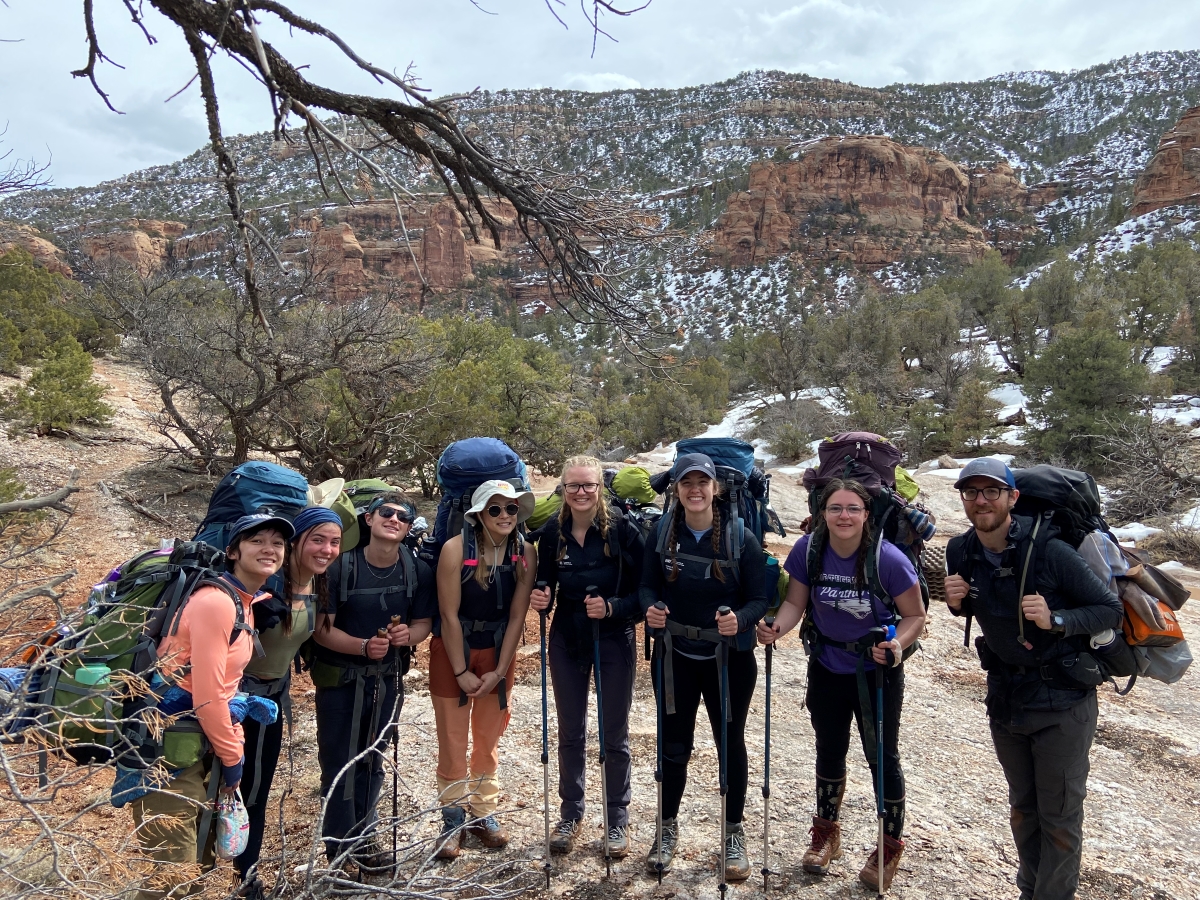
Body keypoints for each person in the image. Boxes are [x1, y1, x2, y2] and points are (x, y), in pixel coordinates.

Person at [943, 458, 1124, 900]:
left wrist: (1056, 618)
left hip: (1062, 699)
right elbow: (986, 606)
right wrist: (956, 604)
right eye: (972, 492)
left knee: (1059, 817)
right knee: (1024, 809)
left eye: (991, 492)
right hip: (1007, 698)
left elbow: (1109, 610)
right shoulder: (961, 550)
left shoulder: (1050, 551)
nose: (981, 501)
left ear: (1012, 498)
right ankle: (1031, 891)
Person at [758, 478, 925, 891]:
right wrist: (777, 627)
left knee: (882, 757)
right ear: (822, 513)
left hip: (877, 674)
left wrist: (896, 645)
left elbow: (915, 615)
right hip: (827, 665)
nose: (844, 516)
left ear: (867, 514)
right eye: (836, 508)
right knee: (829, 750)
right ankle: (826, 834)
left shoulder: (887, 559)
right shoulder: (808, 549)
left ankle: (888, 845)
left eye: (852, 508)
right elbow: (797, 601)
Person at [132, 513, 293, 900]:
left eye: (278, 542)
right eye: (256, 540)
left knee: (196, 869)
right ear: (234, 551)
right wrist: (234, 755)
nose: (269, 548)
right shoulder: (217, 603)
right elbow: (207, 696)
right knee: (172, 878)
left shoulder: (245, 603)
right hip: (168, 750)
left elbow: (223, 687)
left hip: (195, 748)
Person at [641, 453, 767, 881]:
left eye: (703, 482)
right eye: (686, 482)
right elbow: (646, 585)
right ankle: (666, 828)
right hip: (674, 657)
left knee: (729, 743)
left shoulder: (739, 537)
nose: (695, 489)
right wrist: (649, 610)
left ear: (715, 488)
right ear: (676, 488)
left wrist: (742, 620)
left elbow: (759, 598)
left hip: (728, 661)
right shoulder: (660, 533)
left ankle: (733, 833)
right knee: (674, 746)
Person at [311, 493, 436, 871]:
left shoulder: (416, 570)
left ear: (410, 526)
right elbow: (321, 629)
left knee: (373, 758)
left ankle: (366, 839)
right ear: (368, 519)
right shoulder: (340, 567)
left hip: (386, 681)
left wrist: (408, 638)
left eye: (404, 516)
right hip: (340, 682)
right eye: (387, 513)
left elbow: (423, 624)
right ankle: (338, 849)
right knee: (338, 762)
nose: (394, 519)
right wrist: (363, 647)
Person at [529, 456, 646, 859]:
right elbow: (544, 584)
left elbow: (645, 593)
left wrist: (613, 608)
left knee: (614, 734)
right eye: (573, 486)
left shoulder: (624, 531)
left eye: (589, 485)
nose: (581, 493)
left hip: (613, 636)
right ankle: (571, 813)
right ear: (562, 489)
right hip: (567, 637)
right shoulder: (552, 533)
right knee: (570, 731)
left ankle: (617, 819)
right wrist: (540, 599)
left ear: (601, 488)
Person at [236, 506, 343, 896]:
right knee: (236, 788)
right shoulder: (265, 587)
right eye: (317, 540)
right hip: (236, 699)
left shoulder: (318, 582)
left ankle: (245, 876)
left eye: (334, 542)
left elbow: (321, 635)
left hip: (273, 696)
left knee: (257, 790)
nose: (327, 550)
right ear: (296, 543)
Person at [431, 480, 536, 859]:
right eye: (495, 509)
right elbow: (448, 614)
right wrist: (461, 671)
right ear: (478, 515)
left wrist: (499, 669)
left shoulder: (524, 552)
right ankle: (452, 817)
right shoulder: (455, 549)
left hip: (497, 653)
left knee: (488, 739)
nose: (505, 515)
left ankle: (483, 812)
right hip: (453, 651)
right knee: (453, 737)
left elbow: (517, 616)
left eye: (511, 509)